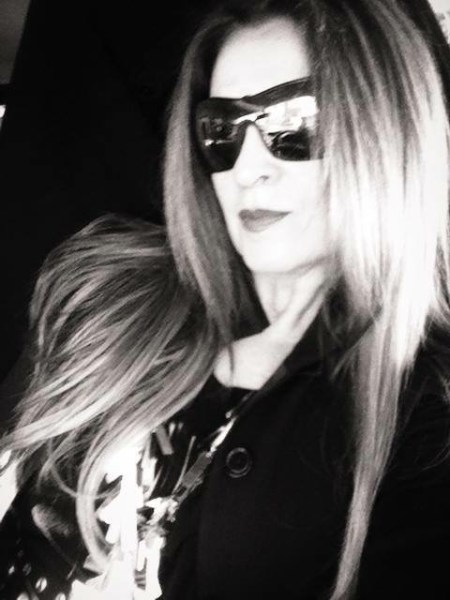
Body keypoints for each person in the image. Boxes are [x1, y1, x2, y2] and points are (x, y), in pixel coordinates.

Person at [1, 0, 450, 598]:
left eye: (293, 123)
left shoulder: (423, 414)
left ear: (384, 133)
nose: (247, 167)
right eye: (223, 130)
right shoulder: (118, 302)